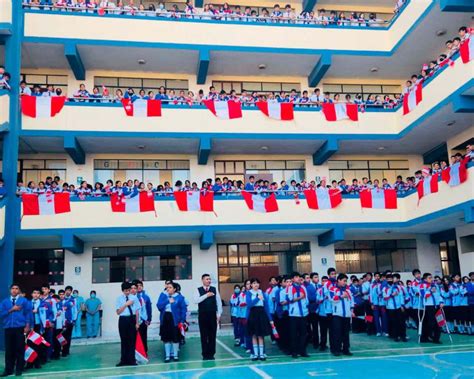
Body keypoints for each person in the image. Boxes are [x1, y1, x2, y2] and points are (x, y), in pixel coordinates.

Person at [0, 284, 30, 377]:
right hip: (8, 328)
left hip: (20, 328)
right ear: (10, 290)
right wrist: (11, 309)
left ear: (19, 290)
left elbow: (28, 313)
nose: (14, 290)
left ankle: (19, 369)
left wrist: (27, 325)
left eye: (16, 288)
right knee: (9, 350)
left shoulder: (24, 301)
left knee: (19, 349)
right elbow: (1, 314)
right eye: (12, 288)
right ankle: (8, 370)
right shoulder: (4, 302)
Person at [194, 274, 222, 360]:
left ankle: (211, 354)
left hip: (212, 315)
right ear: (202, 280)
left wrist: (219, 314)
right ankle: (205, 354)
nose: (209, 281)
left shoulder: (214, 289)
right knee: (204, 335)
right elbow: (196, 300)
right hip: (203, 315)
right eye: (207, 279)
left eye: (209, 279)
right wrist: (206, 295)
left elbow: (219, 302)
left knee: (212, 335)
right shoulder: (198, 290)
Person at [157, 282, 187, 362]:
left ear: (174, 289)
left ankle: (175, 355)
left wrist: (182, 320)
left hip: (175, 319)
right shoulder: (163, 296)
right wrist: (167, 301)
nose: (168, 289)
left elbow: (183, 309)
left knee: (175, 337)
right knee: (166, 338)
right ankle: (167, 356)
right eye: (167, 287)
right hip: (165, 318)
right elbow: (159, 306)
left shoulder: (180, 297)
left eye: (170, 287)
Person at [246, 278, 274, 361]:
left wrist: (270, 319)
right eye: (254, 283)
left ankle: (261, 354)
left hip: (261, 314)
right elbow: (249, 304)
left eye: (257, 283)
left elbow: (266, 307)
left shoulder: (263, 293)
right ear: (251, 285)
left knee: (261, 335)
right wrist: (258, 298)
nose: (256, 285)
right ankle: (255, 354)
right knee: (254, 334)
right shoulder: (249, 293)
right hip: (253, 314)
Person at [116, 282, 140, 367]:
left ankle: (132, 360)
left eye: (128, 290)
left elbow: (137, 311)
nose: (127, 292)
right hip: (123, 319)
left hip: (132, 319)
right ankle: (123, 360)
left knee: (132, 340)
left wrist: (137, 323)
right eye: (125, 291)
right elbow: (118, 312)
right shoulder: (119, 299)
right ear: (123, 291)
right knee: (124, 340)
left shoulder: (134, 298)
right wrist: (126, 304)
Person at [286, 272, 309, 358]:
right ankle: (294, 352)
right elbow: (289, 300)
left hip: (303, 314)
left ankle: (302, 350)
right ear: (292, 279)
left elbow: (306, 300)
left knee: (304, 333)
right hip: (294, 314)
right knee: (294, 334)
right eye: (296, 277)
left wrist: (306, 310)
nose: (298, 278)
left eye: (299, 277)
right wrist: (299, 298)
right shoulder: (290, 288)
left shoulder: (303, 287)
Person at [330, 274, 354, 356]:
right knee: (337, 333)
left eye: (346, 281)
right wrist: (341, 296)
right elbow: (332, 299)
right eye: (344, 280)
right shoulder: (333, 289)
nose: (345, 282)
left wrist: (351, 310)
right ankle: (336, 349)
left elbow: (352, 301)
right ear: (339, 280)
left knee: (346, 333)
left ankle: (346, 349)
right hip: (337, 315)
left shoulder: (348, 290)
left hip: (346, 315)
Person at [134, 280, 152, 354]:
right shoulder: (133, 297)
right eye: (137, 286)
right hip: (135, 320)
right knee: (135, 337)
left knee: (143, 337)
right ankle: (136, 352)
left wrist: (149, 319)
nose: (139, 287)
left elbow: (149, 308)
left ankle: (144, 352)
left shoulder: (146, 297)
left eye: (140, 286)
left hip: (144, 320)